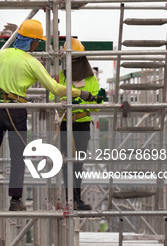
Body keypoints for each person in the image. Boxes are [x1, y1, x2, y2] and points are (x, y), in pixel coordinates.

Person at [0, 19, 95, 211]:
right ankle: (15, 201)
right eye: (36, 42)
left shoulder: (0, 55)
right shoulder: (31, 63)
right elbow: (55, 89)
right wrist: (80, 93)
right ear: (31, 42)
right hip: (16, 111)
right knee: (18, 157)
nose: (36, 45)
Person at [58, 37, 101, 211]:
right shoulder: (61, 76)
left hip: (81, 124)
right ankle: (70, 199)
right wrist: (79, 101)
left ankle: (76, 199)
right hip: (65, 123)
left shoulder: (91, 79)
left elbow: (96, 105)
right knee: (67, 161)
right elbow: (57, 98)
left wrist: (77, 104)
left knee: (77, 163)